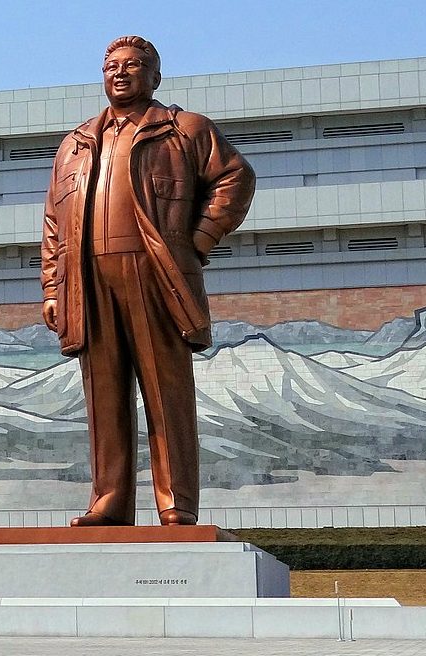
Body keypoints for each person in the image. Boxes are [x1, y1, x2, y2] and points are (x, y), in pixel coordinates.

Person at [41, 35, 255, 527]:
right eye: (111, 65)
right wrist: (54, 288)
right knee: (103, 395)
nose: (120, 73)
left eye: (133, 65)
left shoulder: (184, 130)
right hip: (88, 279)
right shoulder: (76, 143)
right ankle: (109, 501)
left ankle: (175, 502)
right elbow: (54, 223)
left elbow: (236, 178)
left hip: (154, 271)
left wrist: (198, 239)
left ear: (154, 77)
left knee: (166, 391)